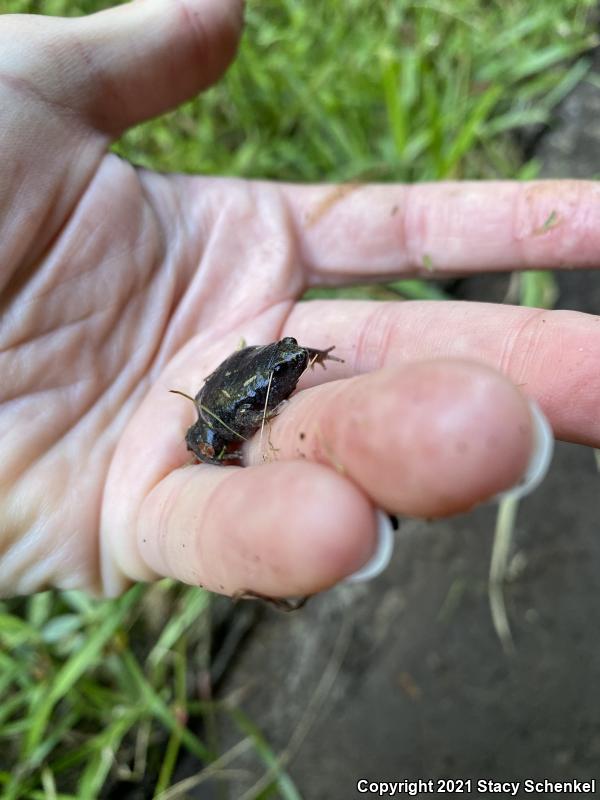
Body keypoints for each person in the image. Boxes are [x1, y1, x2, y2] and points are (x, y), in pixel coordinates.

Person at [0, 0, 596, 602]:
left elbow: (265, 365)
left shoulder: (282, 359)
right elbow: (231, 401)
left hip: (233, 384)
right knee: (263, 464)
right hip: (219, 408)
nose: (297, 360)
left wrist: (285, 362)